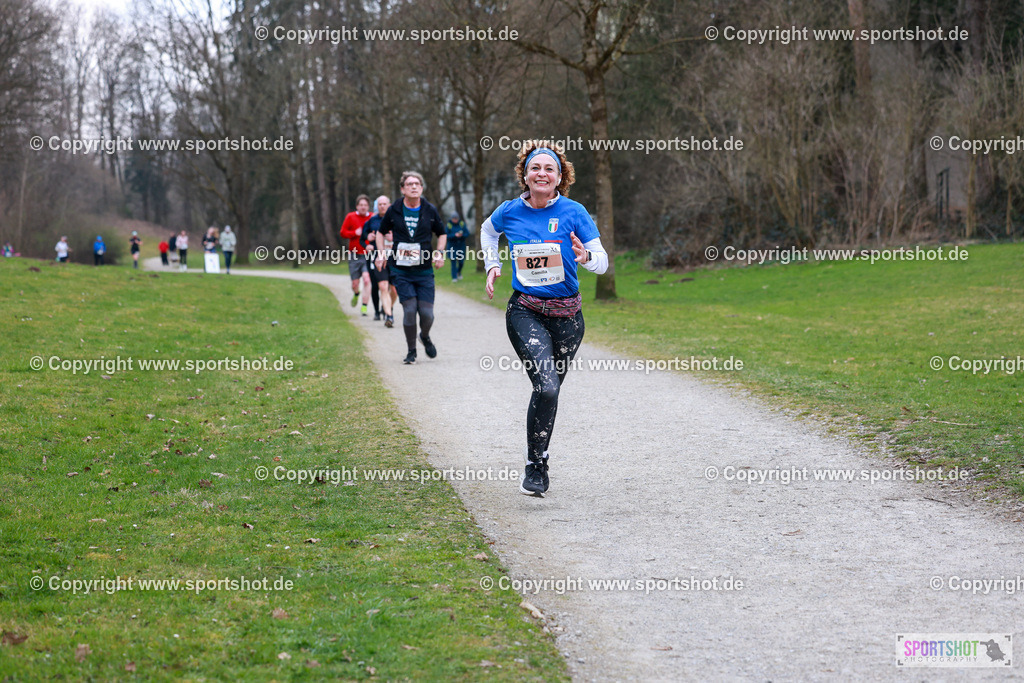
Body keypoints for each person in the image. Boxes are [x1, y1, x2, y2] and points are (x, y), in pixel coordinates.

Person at [481, 142, 608, 497]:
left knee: (549, 392)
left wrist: (585, 257)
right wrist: (493, 263)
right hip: (526, 310)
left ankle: (538, 454)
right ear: (524, 174)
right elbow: (487, 231)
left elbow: (602, 261)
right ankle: (536, 466)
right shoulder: (509, 211)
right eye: (534, 167)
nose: (541, 173)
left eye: (549, 169)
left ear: (559, 177)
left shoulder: (574, 211)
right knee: (547, 386)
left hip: (568, 317)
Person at [375, 171, 446, 364]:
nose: (414, 187)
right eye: (409, 184)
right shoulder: (394, 209)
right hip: (401, 270)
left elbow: (441, 233)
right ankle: (411, 351)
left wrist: (439, 253)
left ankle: (424, 336)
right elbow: (380, 233)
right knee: (409, 310)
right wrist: (381, 253)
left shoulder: (430, 210)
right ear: (402, 189)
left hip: (424, 272)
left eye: (417, 184)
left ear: (421, 188)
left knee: (427, 314)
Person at [339, 195, 374, 316]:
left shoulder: (372, 217)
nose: (363, 207)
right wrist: (354, 233)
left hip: (367, 255)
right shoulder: (350, 216)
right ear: (357, 206)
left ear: (368, 207)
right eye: (361, 205)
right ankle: (356, 294)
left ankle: (364, 306)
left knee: (367, 279)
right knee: (355, 283)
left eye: (365, 205)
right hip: (354, 255)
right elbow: (342, 232)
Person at [363, 195, 394, 326]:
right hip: (377, 258)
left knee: (395, 290)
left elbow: (407, 237)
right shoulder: (372, 221)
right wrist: (367, 242)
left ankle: (387, 307)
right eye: (380, 204)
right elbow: (363, 237)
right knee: (381, 286)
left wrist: (394, 238)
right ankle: (388, 315)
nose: (382, 206)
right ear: (377, 206)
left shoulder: (396, 219)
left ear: (389, 205)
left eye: (384, 204)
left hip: (394, 258)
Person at [446, 212, 469, 282]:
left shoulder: (462, 224)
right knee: (453, 262)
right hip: (452, 246)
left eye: (456, 218)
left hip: (461, 246)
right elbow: (446, 235)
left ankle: (458, 272)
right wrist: (454, 235)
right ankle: (454, 277)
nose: (455, 220)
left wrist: (461, 235)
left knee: (461, 262)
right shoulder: (449, 225)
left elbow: (467, 233)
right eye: (454, 218)